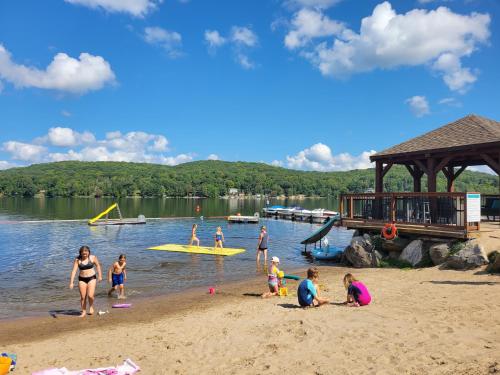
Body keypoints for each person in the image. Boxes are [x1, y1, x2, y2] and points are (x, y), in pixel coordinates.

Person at [69, 245, 103, 317]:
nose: (84, 253)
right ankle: (83, 312)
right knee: (83, 297)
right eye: (83, 252)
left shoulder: (93, 257)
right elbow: (74, 271)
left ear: (88, 252)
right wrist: (71, 282)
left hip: (92, 278)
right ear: (80, 253)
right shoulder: (77, 260)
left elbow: (98, 266)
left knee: (90, 295)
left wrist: (100, 275)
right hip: (82, 279)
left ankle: (91, 307)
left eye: (86, 251)